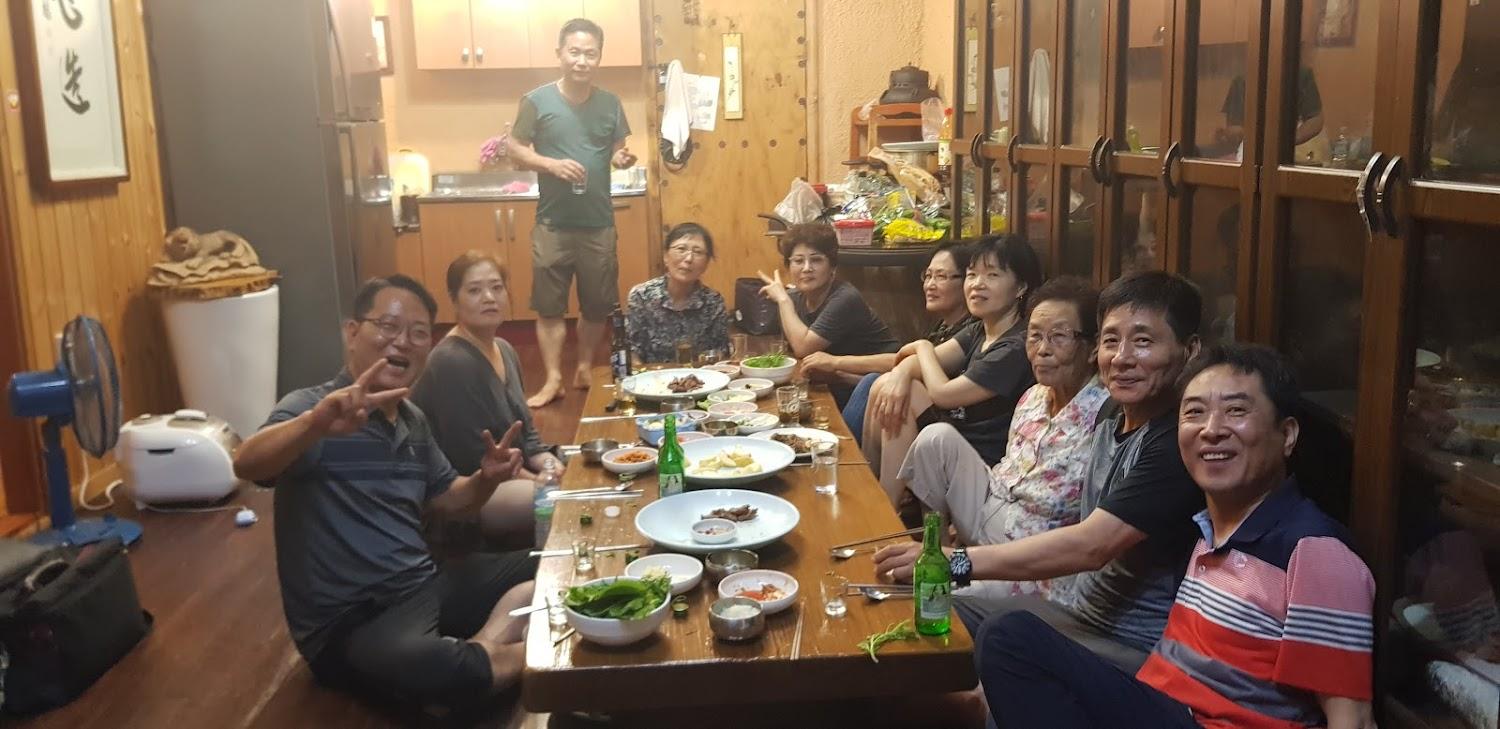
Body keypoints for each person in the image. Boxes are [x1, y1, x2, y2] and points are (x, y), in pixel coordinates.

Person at [977, 344, 1377, 729]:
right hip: (1159, 703)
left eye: (1236, 411)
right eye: (1195, 413)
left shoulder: (1315, 552)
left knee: (1010, 637)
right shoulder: (1208, 530)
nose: (1212, 430)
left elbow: (1353, 719)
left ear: (1287, 435)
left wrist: (959, 563)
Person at [874, 270, 1205, 671]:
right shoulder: (1112, 416)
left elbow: (1090, 546)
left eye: (1143, 341)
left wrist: (954, 562)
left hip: (1122, 640)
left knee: (964, 621)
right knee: (918, 605)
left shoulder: (1173, 442)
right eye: (1111, 340)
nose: (1121, 358)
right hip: (1075, 607)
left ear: (1189, 350)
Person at [233, 274, 537, 711]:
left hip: (424, 584)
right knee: (430, 666)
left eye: (418, 332)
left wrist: (485, 479)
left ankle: (482, 653)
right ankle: (530, 658)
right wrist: (313, 426)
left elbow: (451, 500)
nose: (403, 342)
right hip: (353, 621)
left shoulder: (412, 419)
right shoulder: (312, 408)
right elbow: (246, 464)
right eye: (388, 327)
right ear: (353, 333)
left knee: (550, 562)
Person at [894, 276, 1110, 604]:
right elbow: (1009, 467)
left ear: (1093, 347)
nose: (1042, 349)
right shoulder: (1033, 397)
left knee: (934, 597)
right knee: (936, 438)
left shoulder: (1104, 416)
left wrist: (965, 563)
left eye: (1059, 337)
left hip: (1031, 555)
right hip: (992, 511)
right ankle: (936, 548)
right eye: (1034, 336)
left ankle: (952, 569)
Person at [508, 18, 638, 407]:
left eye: (590, 54)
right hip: (552, 223)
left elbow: (617, 149)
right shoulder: (536, 101)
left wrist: (621, 158)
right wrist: (550, 164)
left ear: (599, 57)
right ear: (560, 54)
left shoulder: (610, 103)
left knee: (596, 305)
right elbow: (514, 148)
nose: (582, 61)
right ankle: (552, 379)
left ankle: (584, 366)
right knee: (549, 306)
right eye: (575, 52)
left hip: (599, 223)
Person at [863, 235, 1043, 505]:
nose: (977, 284)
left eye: (992, 275)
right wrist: (899, 374)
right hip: (951, 437)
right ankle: (871, 485)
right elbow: (911, 364)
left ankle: (887, 506)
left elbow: (944, 394)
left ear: (1021, 286)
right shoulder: (979, 329)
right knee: (884, 384)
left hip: (981, 460)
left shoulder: (1015, 346)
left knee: (908, 394)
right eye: (972, 274)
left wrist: (922, 346)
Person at [411, 252, 563, 551]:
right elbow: (475, 461)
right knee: (564, 501)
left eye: (496, 287)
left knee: (582, 479)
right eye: (474, 290)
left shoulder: (504, 348)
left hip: (509, 476)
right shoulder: (451, 361)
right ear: (454, 300)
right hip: (468, 496)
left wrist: (551, 466)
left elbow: (528, 437)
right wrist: (547, 482)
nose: (489, 297)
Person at [833, 242, 977, 445]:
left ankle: (846, 455)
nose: (930, 285)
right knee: (871, 382)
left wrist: (835, 362)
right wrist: (840, 375)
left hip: (948, 429)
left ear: (967, 280)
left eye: (941, 276)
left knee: (877, 384)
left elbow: (911, 367)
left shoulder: (969, 331)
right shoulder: (943, 326)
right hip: (922, 411)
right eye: (928, 275)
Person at [756, 223, 901, 406]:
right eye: (798, 261)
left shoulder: (845, 297)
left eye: (816, 260)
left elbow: (803, 348)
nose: (806, 268)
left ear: (832, 266)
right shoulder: (793, 298)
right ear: (789, 266)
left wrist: (783, 300)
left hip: (883, 385)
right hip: (840, 383)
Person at [624, 222, 730, 363]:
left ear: (706, 263)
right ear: (665, 256)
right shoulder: (642, 296)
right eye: (681, 249)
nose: (689, 259)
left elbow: (720, 353)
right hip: (651, 375)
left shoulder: (713, 301)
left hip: (701, 375)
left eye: (698, 252)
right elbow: (632, 352)